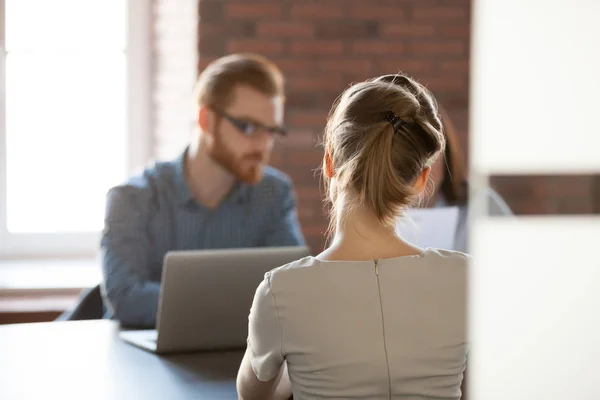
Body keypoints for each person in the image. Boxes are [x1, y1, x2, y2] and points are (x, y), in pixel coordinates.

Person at [236, 73, 469, 399]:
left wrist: (298, 364)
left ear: (329, 160)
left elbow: (252, 395)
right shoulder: (466, 277)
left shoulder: (281, 291)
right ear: (421, 179)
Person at [100, 53, 306, 328]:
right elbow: (126, 298)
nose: (263, 145)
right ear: (206, 120)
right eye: (248, 127)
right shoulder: (133, 197)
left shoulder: (274, 194)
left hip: (232, 360)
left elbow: (292, 291)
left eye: (270, 131)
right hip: (139, 360)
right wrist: (238, 308)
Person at [425, 104, 512, 252]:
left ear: (446, 155)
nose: (421, 166)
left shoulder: (484, 206)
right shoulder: (373, 218)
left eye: (430, 152)